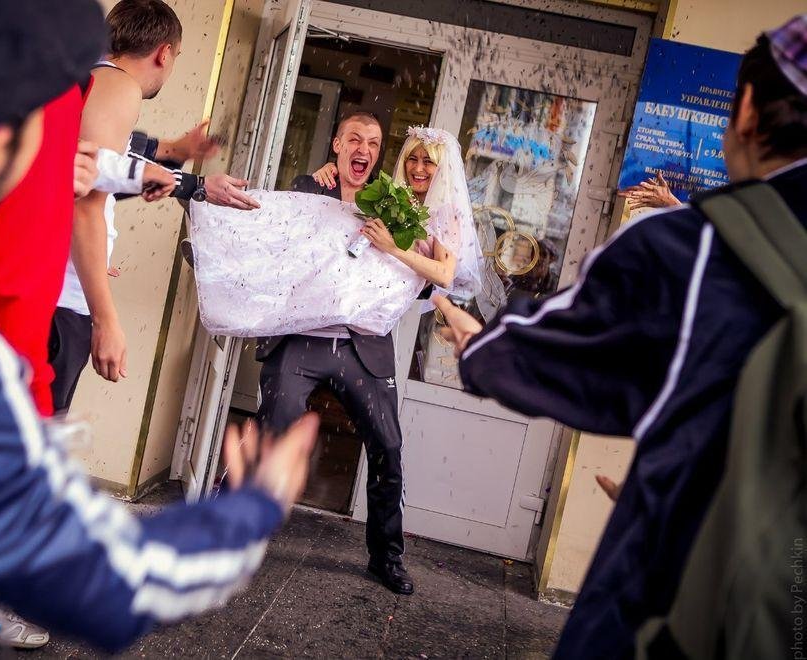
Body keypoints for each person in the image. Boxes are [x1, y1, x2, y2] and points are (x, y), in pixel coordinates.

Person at [0, 0, 318, 655]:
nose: (70, 162)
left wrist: (167, 166)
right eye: (50, 145)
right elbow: (106, 580)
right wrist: (253, 508)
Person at [431, 17, 807, 658]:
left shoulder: (690, 250)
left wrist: (484, 346)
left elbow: (563, 356)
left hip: (674, 607)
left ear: (746, 109)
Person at [257, 118, 484, 596]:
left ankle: (387, 557)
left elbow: (435, 277)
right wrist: (328, 176)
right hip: (303, 337)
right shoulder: (317, 187)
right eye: (413, 159)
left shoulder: (401, 207)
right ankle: (232, 530)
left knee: (388, 447)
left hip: (363, 346)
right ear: (338, 145)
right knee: (271, 430)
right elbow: (285, 236)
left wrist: (440, 300)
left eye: (374, 144)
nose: (419, 168)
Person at [51, 0, 260, 414]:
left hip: (56, 289)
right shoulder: (120, 87)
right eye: (176, 56)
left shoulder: (91, 80)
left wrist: (177, 155)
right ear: (164, 53)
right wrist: (106, 320)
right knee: (26, 432)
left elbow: (105, 166)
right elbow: (87, 200)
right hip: (60, 301)